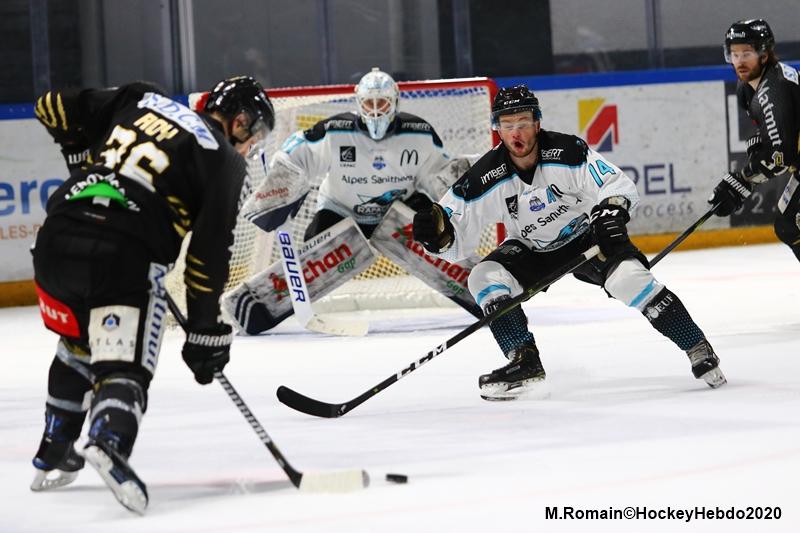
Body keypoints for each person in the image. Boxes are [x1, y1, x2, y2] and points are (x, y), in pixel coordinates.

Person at [29, 76, 274, 513]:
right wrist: (204, 331)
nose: (250, 147)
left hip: (55, 240)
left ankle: (55, 447)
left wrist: (78, 154)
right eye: (253, 136)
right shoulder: (224, 161)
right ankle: (109, 441)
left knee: (77, 345)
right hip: (123, 254)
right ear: (239, 121)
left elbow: (51, 105)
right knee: (124, 366)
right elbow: (206, 259)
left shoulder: (141, 97)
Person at [412, 85, 727, 401]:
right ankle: (524, 361)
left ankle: (696, 346)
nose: (516, 132)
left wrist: (611, 212)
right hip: (531, 248)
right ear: (497, 129)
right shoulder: (485, 175)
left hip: (587, 238)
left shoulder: (568, 152)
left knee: (629, 279)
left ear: (537, 122)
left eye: (523, 122)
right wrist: (437, 236)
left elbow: (615, 184)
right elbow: (451, 233)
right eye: (507, 125)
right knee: (484, 277)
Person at [228, 67, 477, 334]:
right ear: (359, 103)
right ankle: (261, 303)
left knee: (433, 230)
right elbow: (297, 150)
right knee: (315, 254)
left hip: (398, 210)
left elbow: (438, 176)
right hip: (340, 211)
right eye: (369, 103)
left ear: (395, 103)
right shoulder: (335, 131)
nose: (376, 110)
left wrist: (465, 192)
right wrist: (282, 178)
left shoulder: (419, 134)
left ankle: (482, 287)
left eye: (382, 103)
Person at [710, 19, 800, 261]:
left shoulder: (772, 88)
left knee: (791, 224)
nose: (739, 61)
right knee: (790, 225)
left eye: (747, 53)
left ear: (764, 54)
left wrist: (743, 180)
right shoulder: (749, 88)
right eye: (734, 54)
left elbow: (781, 158)